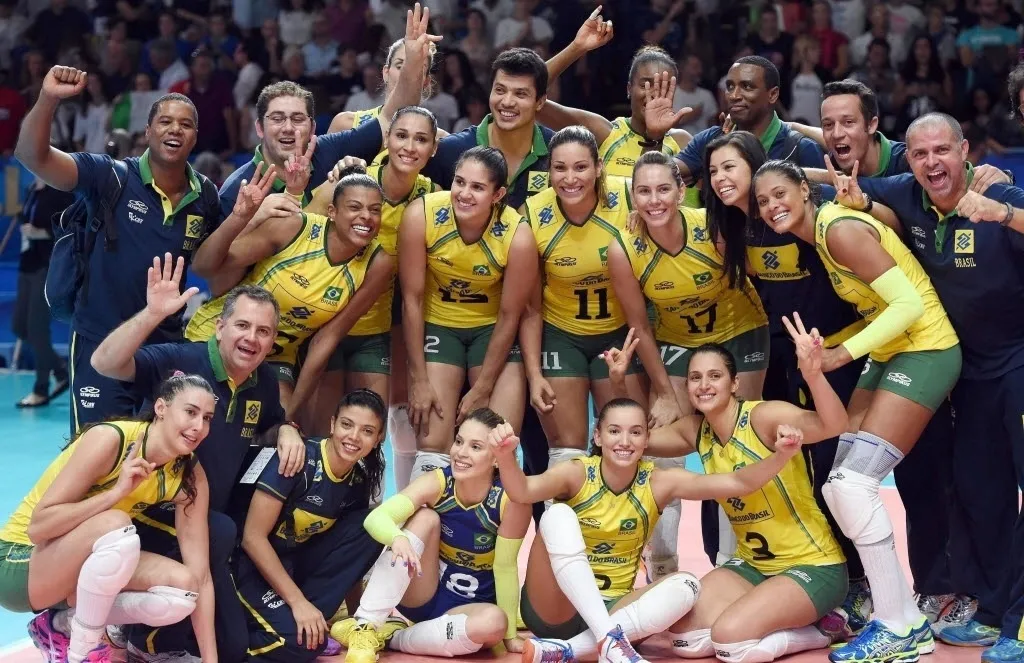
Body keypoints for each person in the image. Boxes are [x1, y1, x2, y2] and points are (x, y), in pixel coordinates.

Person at [753, 158, 961, 662]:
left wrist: (839, 355)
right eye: (762, 201)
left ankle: (898, 626)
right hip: (893, 352)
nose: (772, 206)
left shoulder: (838, 230)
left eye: (780, 193)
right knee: (839, 487)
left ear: (805, 191)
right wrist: (827, 351)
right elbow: (880, 302)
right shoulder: (820, 237)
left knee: (852, 484)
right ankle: (903, 617)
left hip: (927, 347)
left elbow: (909, 305)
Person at [492, 355, 816, 663]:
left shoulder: (659, 482)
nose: (625, 441)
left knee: (687, 585)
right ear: (598, 436)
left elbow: (738, 482)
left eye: (635, 433)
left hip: (617, 609)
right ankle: (608, 640)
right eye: (614, 432)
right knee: (557, 515)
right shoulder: (576, 473)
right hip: (554, 609)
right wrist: (506, 458)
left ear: (647, 440)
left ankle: (572, 650)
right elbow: (521, 491)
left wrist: (781, 456)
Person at [845, 112, 1024, 662]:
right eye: (920, 154)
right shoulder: (905, 193)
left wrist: (1003, 212)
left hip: (1019, 363)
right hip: (968, 376)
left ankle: (1020, 624)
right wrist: (853, 196)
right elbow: (842, 180)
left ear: (965, 150)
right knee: (980, 491)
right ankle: (995, 610)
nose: (932, 162)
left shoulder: (1000, 195)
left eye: (942, 150)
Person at [90, 264, 306, 663]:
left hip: (204, 526)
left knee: (233, 649)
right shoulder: (180, 359)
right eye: (242, 325)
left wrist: (287, 431)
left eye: (263, 331)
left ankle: (142, 620)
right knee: (220, 529)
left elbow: (272, 423)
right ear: (219, 328)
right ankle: (141, 635)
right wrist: (152, 314)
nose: (252, 338)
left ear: (273, 340)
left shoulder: (262, 381)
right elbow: (105, 363)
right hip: (145, 515)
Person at [600, 321, 849, 663]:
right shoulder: (696, 430)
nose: (704, 385)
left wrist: (813, 374)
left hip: (814, 566)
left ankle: (824, 630)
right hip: (753, 566)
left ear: (734, 383)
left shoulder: (763, 416)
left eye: (714, 376)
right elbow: (633, 441)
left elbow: (835, 425)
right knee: (683, 637)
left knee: (730, 641)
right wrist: (618, 381)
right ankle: (766, 616)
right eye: (695, 378)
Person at [13, 65, 222, 433]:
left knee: (157, 457)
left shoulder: (205, 196)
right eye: (165, 122)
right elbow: (32, 156)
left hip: (161, 352)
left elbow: (216, 263)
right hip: (99, 342)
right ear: (148, 131)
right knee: (94, 453)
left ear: (195, 137)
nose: (175, 129)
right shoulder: (109, 176)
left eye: (185, 124)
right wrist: (47, 99)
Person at [609, 149, 769, 579]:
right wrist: (663, 392)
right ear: (632, 197)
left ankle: (735, 565)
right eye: (643, 192)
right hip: (678, 340)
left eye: (663, 189)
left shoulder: (712, 228)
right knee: (662, 450)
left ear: (682, 192)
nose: (654, 200)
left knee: (737, 444)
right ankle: (662, 566)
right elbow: (640, 325)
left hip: (740, 333)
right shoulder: (624, 248)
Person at [418, 45, 556, 522]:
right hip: (448, 321)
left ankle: (521, 545)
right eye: (500, 90)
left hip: (530, 318)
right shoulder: (452, 153)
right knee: (437, 437)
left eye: (521, 93)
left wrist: (578, 50)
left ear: (541, 101)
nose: (508, 101)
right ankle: (431, 542)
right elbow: (398, 157)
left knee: (525, 441)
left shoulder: (557, 154)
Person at [0, 374, 219, 663]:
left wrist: (211, 660)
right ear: (161, 408)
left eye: (207, 418)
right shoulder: (111, 439)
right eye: (190, 412)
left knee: (183, 588)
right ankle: (82, 652)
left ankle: (59, 625)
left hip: (76, 573)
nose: (199, 426)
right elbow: (38, 528)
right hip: (19, 564)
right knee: (116, 524)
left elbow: (201, 577)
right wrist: (116, 492)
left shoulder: (188, 474)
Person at [188, 163, 393, 418]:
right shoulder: (294, 228)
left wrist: (290, 415)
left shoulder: (378, 263)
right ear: (332, 211)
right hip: (218, 338)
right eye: (354, 207)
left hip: (275, 358)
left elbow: (325, 339)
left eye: (375, 210)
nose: (366, 217)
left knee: (278, 430)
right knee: (200, 416)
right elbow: (204, 266)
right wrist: (240, 218)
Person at [331, 408, 532, 662]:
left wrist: (510, 636)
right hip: (422, 595)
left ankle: (393, 636)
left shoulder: (509, 500)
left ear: (496, 459)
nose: (460, 452)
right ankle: (365, 625)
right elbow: (376, 519)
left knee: (494, 623)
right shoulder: (438, 482)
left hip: (470, 608)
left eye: (475, 447)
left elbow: (505, 567)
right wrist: (397, 538)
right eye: (459, 441)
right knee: (425, 517)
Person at [296, 106, 440, 459]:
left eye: (421, 139)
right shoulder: (350, 181)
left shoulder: (432, 198)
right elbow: (300, 238)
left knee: (369, 440)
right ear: (386, 138)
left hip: (374, 332)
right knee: (320, 436)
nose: (409, 147)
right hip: (322, 322)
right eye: (401, 135)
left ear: (434, 148)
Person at [216, 2, 440, 220]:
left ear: (313, 127)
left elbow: (396, 116)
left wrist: (413, 60)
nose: (288, 128)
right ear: (259, 127)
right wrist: (251, 220)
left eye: (298, 119)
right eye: (277, 118)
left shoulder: (328, 151)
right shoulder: (236, 188)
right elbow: (221, 248)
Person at [399, 146, 536, 479]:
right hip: (439, 326)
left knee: (499, 442)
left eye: (477, 187)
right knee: (431, 443)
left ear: (497, 195)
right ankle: (428, 512)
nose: (464, 193)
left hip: (491, 330)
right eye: (459, 182)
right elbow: (411, 299)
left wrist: (483, 387)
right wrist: (418, 379)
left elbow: (510, 315)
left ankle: (493, 511)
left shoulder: (518, 235)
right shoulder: (422, 215)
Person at [234, 389, 389, 662]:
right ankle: (221, 641)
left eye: (367, 431)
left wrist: (358, 622)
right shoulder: (298, 458)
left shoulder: (358, 480)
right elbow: (252, 538)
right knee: (303, 645)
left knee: (372, 525)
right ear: (332, 424)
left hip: (292, 568)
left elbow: (350, 556)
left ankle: (296, 618)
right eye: (347, 424)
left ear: (378, 439)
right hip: (247, 567)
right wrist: (298, 602)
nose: (354, 437)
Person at [523, 126, 644, 474]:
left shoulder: (629, 196)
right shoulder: (533, 214)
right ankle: (562, 513)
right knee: (566, 453)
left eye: (581, 167)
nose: (570, 178)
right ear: (549, 171)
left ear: (599, 167)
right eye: (560, 168)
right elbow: (530, 306)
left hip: (621, 333)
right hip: (562, 336)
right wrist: (534, 374)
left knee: (626, 443)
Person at [537, 10, 692, 181]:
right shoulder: (604, 133)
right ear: (628, 89)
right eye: (645, 85)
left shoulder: (682, 142)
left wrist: (655, 137)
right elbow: (532, 99)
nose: (654, 94)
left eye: (663, 87)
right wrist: (577, 47)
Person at [12, 177, 73, 408]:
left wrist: (42, 233)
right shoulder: (32, 190)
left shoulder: (59, 190)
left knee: (37, 330)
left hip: (46, 266)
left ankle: (41, 389)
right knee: (19, 327)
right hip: (26, 264)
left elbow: (69, 229)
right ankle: (60, 370)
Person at [328, 36, 445, 139]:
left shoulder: (441, 140)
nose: (406, 74)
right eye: (400, 66)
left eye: (417, 68)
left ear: (426, 81)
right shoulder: (345, 124)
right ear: (386, 73)